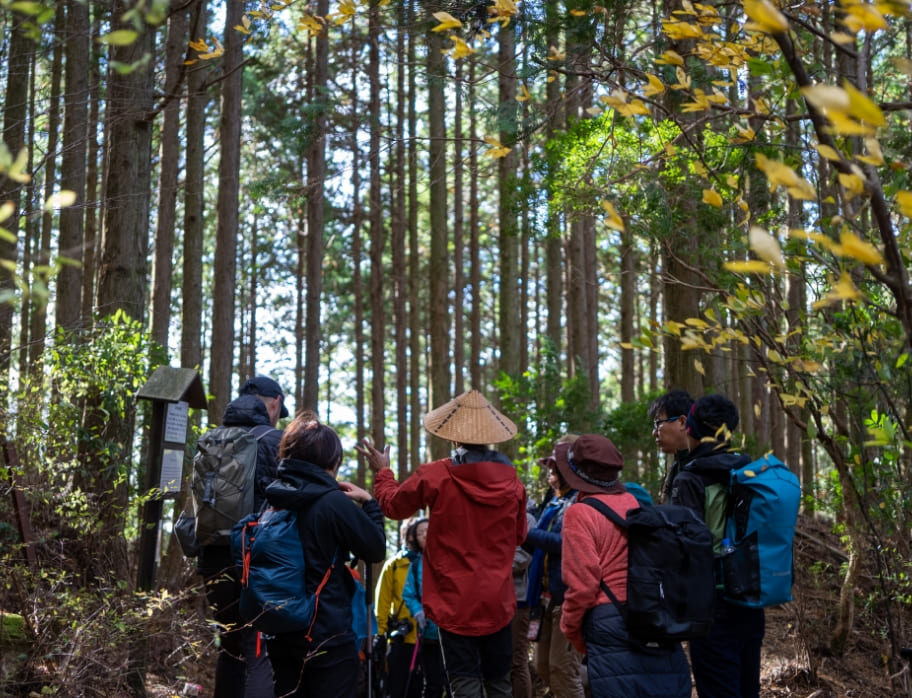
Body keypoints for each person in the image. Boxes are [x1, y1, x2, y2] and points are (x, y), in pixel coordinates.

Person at [357, 389, 528, 698]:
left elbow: (394, 506)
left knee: (463, 683)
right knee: (499, 683)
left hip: (453, 600)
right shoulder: (512, 483)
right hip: (497, 600)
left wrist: (383, 471)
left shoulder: (437, 476)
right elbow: (519, 536)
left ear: (453, 438)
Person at [263, 411, 387, 697]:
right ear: (332, 461)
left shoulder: (273, 497)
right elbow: (375, 548)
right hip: (328, 633)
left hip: (280, 629)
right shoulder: (332, 502)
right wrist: (369, 503)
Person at [559, 434, 691, 698]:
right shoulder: (631, 502)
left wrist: (570, 627)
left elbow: (583, 584)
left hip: (608, 620)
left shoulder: (579, 513)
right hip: (648, 611)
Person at [196, 375, 287, 698]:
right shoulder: (276, 441)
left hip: (212, 557)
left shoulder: (211, 440)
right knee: (258, 646)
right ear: (274, 403)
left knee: (230, 645)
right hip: (255, 557)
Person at [670, 394, 764, 698]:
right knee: (747, 688)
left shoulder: (691, 478)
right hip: (751, 598)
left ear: (692, 427)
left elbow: (688, 547)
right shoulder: (749, 472)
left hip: (713, 605)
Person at [525, 439, 586, 698]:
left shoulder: (580, 502)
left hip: (569, 596)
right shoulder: (553, 504)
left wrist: (527, 533)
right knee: (542, 665)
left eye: (554, 470)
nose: (550, 476)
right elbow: (536, 544)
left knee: (563, 667)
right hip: (545, 597)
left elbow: (566, 544)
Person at [402, 518, 452, 697]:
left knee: (455, 681)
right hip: (428, 634)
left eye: (428, 531)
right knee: (433, 683)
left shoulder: (452, 559)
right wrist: (417, 611)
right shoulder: (415, 566)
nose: (425, 535)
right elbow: (408, 593)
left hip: (452, 632)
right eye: (420, 533)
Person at [375, 518, 423, 698]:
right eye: (409, 535)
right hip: (402, 640)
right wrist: (380, 634)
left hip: (430, 639)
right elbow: (382, 604)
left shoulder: (434, 563)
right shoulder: (394, 565)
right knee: (398, 689)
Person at [648, 389, 694, 502]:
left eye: (658, 423)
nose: (654, 433)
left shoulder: (705, 467)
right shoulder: (676, 467)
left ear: (683, 422)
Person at [510, 508, 536, 698]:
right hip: (487, 600)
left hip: (517, 600)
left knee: (516, 661)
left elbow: (522, 559)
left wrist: (486, 566)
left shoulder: (526, 518)